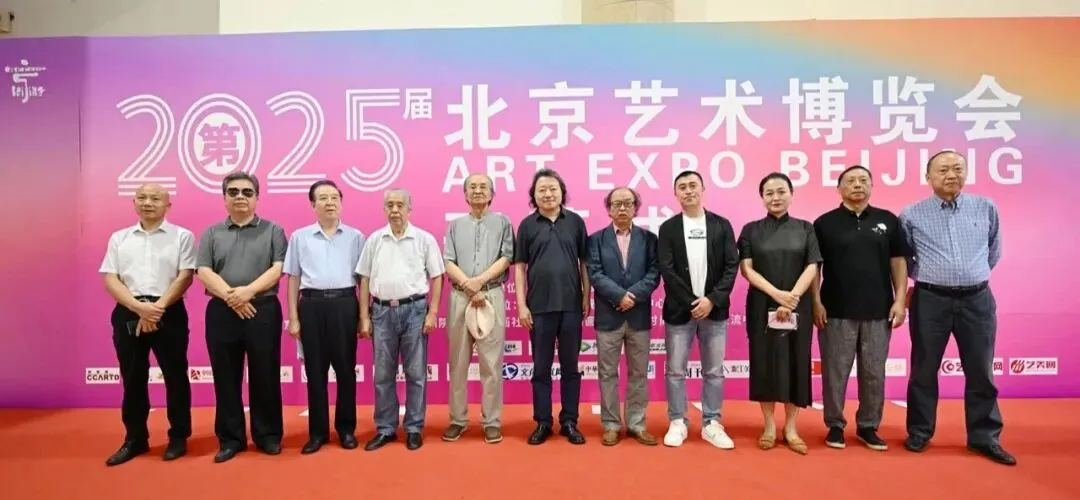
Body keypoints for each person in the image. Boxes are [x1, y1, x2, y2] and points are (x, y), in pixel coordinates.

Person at [900, 150, 1015, 466]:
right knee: (924, 368)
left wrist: (970, 274)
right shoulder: (911, 214)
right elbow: (905, 259)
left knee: (981, 369)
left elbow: (993, 251)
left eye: (957, 168)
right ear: (928, 176)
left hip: (977, 299)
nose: (951, 175)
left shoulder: (985, 207)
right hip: (930, 300)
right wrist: (931, 276)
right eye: (943, 170)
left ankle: (984, 437)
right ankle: (920, 432)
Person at [811, 165, 909, 451]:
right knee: (835, 371)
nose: (857, 185)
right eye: (851, 181)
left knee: (874, 372)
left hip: (878, 310)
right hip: (835, 309)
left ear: (871, 186)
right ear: (839, 188)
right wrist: (816, 302)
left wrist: (900, 299)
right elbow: (815, 268)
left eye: (863, 180)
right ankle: (835, 425)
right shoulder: (824, 223)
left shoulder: (887, 220)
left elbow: (898, 262)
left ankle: (868, 426)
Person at [99, 183, 195, 466]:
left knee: (176, 377)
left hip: (169, 310)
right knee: (132, 377)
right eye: (142, 197)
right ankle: (135, 438)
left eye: (155, 198)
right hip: (129, 311)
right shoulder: (119, 238)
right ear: (134, 202)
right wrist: (138, 307)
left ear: (168, 205)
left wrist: (156, 309)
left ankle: (179, 436)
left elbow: (185, 276)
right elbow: (111, 278)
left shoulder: (182, 236)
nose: (148, 202)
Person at [195, 172, 288, 463]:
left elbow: (278, 268)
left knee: (266, 374)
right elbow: (204, 271)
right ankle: (231, 439)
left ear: (257, 197)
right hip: (222, 311)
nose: (240, 197)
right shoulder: (211, 233)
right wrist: (232, 297)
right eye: (233, 191)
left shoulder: (273, 230)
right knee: (225, 377)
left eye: (247, 192)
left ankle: (268, 435)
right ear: (224, 197)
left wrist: (247, 292)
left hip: (263, 309)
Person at [737, 172, 821, 455]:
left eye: (781, 191)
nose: (775, 197)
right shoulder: (750, 230)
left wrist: (792, 298)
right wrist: (777, 295)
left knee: (797, 361)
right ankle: (770, 426)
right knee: (765, 363)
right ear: (762, 198)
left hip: (799, 305)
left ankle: (792, 427)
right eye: (769, 193)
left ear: (791, 194)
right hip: (762, 304)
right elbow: (746, 269)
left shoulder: (806, 228)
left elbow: (812, 266)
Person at [356, 188, 445, 451]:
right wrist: (364, 316)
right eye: (390, 205)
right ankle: (385, 428)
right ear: (384, 209)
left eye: (400, 205)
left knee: (416, 373)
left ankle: (414, 427)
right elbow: (364, 278)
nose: (395, 210)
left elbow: (437, 276)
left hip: (415, 310)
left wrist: (433, 312)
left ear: (409, 209)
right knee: (383, 374)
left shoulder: (424, 239)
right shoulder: (375, 240)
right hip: (381, 311)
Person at [657, 170, 739, 449]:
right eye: (682, 187)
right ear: (675, 194)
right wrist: (693, 302)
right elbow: (667, 269)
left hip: (714, 311)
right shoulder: (668, 228)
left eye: (693, 185)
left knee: (714, 371)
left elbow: (731, 266)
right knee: (675, 371)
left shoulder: (721, 225)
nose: (688, 190)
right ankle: (677, 420)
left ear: (703, 189)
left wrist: (711, 300)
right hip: (680, 311)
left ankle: (711, 422)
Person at [283, 180, 365, 454]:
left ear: (341, 202)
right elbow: (293, 278)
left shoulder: (356, 237)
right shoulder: (300, 237)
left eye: (334, 197)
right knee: (315, 371)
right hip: (311, 305)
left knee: (346, 370)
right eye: (323, 198)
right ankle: (317, 433)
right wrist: (293, 317)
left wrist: (363, 315)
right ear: (313, 204)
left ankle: (346, 429)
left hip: (344, 304)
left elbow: (363, 280)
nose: (330, 202)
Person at [514, 168, 590, 445]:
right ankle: (543, 422)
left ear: (562, 192)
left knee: (571, 367)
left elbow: (584, 263)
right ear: (534, 195)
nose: (547, 194)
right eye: (542, 190)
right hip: (539, 308)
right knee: (541, 368)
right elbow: (519, 267)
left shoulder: (576, 222)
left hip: (571, 306)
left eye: (552, 189)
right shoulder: (527, 225)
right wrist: (521, 305)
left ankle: (569, 421)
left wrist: (586, 296)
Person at [442, 174, 513, 445]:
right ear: (465, 194)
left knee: (491, 364)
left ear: (492, 194)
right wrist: (468, 285)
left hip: (490, 295)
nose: (478, 191)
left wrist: (479, 283)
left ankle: (491, 421)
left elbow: (507, 257)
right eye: (472, 187)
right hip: (460, 296)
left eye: (483, 187)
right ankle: (457, 420)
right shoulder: (455, 225)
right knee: (458, 363)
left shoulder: (503, 223)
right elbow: (448, 261)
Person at [587, 186, 660, 446]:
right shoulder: (595, 239)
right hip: (609, 316)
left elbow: (654, 273)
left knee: (638, 373)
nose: (622, 208)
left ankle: (637, 423)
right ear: (608, 209)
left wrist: (634, 296)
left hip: (638, 316)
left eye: (628, 203)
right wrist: (619, 296)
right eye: (616, 204)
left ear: (635, 208)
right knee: (607, 373)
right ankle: (610, 424)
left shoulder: (649, 239)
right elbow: (595, 273)